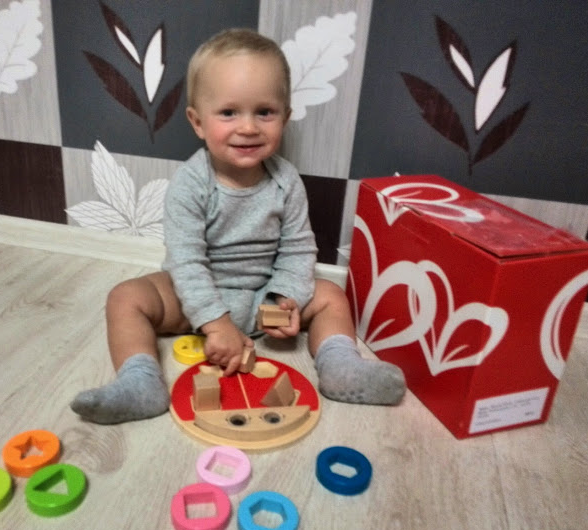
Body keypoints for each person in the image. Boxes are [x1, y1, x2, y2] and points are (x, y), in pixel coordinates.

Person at [71, 28, 405, 425]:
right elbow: (186, 262)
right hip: (197, 298)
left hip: (264, 295)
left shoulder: (286, 181)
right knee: (125, 297)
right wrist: (216, 323)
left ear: (285, 117)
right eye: (229, 113)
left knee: (331, 294)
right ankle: (140, 381)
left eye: (264, 112)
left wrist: (284, 298)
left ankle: (340, 366)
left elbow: (298, 249)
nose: (248, 127)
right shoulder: (191, 183)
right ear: (197, 122)